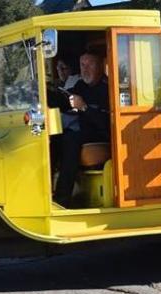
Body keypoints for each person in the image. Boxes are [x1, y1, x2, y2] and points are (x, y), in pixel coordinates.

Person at [54, 51, 110, 208]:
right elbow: (66, 101)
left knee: (71, 139)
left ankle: (62, 200)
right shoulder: (80, 86)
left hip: (103, 135)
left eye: (90, 64)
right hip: (85, 133)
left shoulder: (108, 89)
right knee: (53, 136)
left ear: (100, 65)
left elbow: (106, 124)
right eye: (82, 65)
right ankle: (47, 192)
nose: (85, 69)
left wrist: (84, 107)